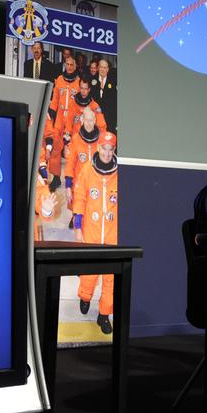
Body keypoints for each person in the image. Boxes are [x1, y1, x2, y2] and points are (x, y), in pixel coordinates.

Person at [73, 131, 119, 334]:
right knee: (89, 273)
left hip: (112, 235)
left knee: (110, 279)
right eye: (104, 148)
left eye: (111, 150)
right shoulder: (86, 171)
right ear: (98, 148)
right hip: (91, 232)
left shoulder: (120, 174)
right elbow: (80, 197)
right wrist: (77, 227)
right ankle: (85, 296)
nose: (107, 154)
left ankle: (104, 314)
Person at [92, 57, 117, 121]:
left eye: (105, 68)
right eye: (101, 67)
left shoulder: (114, 82)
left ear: (108, 69)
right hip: (94, 116)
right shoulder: (91, 80)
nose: (102, 69)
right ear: (98, 68)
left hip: (109, 117)